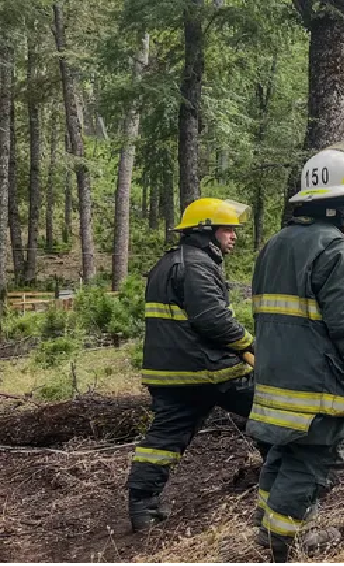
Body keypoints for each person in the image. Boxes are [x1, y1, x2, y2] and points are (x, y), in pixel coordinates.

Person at [248, 141, 344, 561]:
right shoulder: (335, 249)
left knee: (282, 453)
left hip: (276, 382)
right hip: (316, 386)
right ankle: (282, 542)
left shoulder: (274, 244)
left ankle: (268, 527)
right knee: (313, 461)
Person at [127, 197, 262, 533]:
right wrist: (249, 345)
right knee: (268, 406)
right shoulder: (198, 264)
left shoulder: (171, 261)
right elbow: (212, 318)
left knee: (163, 440)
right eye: (227, 229)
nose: (234, 236)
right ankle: (284, 474)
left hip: (172, 373)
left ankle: (142, 507)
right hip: (207, 369)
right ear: (206, 230)